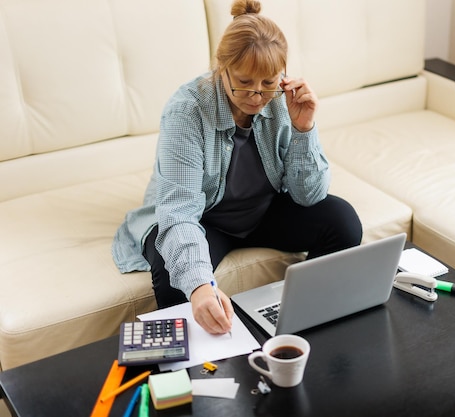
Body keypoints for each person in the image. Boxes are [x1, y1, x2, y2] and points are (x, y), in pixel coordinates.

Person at [112, 0, 362, 335]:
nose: (257, 97)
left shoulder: (283, 99)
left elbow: (309, 197)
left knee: (342, 221)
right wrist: (200, 287)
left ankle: (297, 322)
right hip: (204, 219)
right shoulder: (187, 111)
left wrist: (304, 129)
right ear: (222, 67)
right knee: (175, 276)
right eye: (244, 82)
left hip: (261, 211)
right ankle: (205, 364)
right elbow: (179, 212)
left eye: (268, 83)